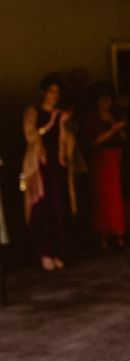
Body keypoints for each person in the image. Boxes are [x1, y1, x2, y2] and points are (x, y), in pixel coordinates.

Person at [22, 74, 75, 270]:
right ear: (45, 92)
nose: (55, 95)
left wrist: (62, 125)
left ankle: (59, 252)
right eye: (52, 91)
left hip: (57, 165)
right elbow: (31, 135)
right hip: (40, 165)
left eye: (57, 92)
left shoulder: (61, 115)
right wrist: (51, 122)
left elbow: (69, 142)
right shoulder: (33, 112)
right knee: (42, 209)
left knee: (59, 208)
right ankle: (44, 252)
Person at [84, 83, 127, 251]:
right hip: (102, 159)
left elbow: (124, 138)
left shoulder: (114, 115)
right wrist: (112, 131)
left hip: (117, 158)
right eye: (102, 99)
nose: (106, 103)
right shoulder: (92, 118)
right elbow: (93, 141)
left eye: (108, 99)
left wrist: (120, 130)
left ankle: (119, 235)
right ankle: (104, 239)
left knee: (117, 197)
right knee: (103, 199)